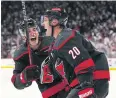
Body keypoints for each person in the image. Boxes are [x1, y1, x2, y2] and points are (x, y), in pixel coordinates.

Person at [40, 7, 110, 98]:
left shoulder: (65, 38)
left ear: (54, 22)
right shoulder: (59, 40)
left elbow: (82, 61)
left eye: (44, 20)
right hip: (86, 82)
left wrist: (86, 85)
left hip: (92, 81)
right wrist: (48, 67)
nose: (42, 24)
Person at [11, 18, 55, 92]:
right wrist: (24, 76)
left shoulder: (52, 42)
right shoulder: (22, 54)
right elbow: (16, 81)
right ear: (24, 36)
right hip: (50, 92)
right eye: (28, 31)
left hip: (70, 85)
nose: (32, 33)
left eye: (34, 29)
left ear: (38, 32)